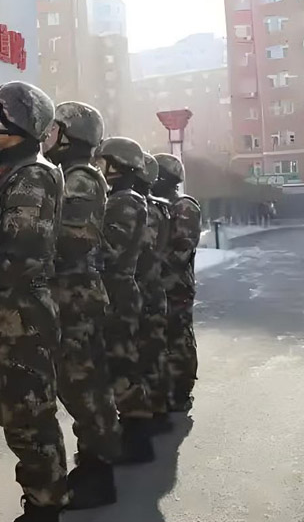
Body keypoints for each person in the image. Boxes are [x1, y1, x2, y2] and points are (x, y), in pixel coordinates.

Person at [0, 81, 67, 522]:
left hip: (20, 319)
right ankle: (44, 498)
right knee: (19, 418)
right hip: (7, 317)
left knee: (30, 418)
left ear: (17, 123)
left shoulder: (32, 176)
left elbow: (20, 256)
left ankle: (46, 506)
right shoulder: (14, 172)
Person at [44, 102, 120, 509]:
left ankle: (99, 471)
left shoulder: (81, 179)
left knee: (83, 384)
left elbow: (71, 238)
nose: (47, 136)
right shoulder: (67, 175)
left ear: (71, 136)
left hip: (75, 295)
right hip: (69, 294)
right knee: (79, 383)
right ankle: (97, 462)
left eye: (54, 129)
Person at [95, 136, 155, 464]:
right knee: (119, 365)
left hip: (117, 293)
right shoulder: (121, 200)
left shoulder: (124, 203)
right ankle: (134, 435)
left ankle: (138, 439)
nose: (98, 166)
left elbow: (110, 251)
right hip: (117, 291)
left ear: (117, 166)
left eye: (103, 161)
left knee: (121, 367)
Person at [152, 153, 201, 412]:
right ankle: (163, 387)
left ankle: (182, 388)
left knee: (178, 335)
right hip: (157, 285)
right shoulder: (157, 205)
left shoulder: (184, 206)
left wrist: (150, 263)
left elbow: (181, 251)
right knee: (159, 337)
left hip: (176, 284)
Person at [134, 153, 173, 433]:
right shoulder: (156, 207)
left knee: (148, 351)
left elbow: (140, 252)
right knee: (153, 349)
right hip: (151, 287)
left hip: (146, 289)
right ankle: (158, 407)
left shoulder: (146, 209)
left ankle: (152, 413)